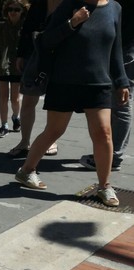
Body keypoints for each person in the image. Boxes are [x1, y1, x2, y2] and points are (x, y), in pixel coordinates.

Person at [15, 0, 130, 207]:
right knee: (54, 131)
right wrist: (72, 23)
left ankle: (105, 185)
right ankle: (26, 171)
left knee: (104, 132)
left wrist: (121, 81)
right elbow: (45, 41)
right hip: (64, 81)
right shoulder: (68, 5)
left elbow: (116, 48)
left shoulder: (114, 8)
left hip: (99, 83)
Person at [79, 0, 133, 171]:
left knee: (121, 100)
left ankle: (113, 156)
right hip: (121, 44)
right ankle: (109, 153)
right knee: (116, 100)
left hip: (123, 46)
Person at [8, 0, 62, 157]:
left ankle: (50, 140)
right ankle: (25, 142)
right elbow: (27, 29)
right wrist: (20, 54)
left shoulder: (70, 4)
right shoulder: (39, 5)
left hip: (59, 59)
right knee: (28, 101)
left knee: (54, 104)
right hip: (35, 57)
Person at [0, 0, 27, 138]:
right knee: (3, 98)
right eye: (10, 9)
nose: (13, 12)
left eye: (17, 10)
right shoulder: (1, 28)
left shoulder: (25, 28)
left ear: (22, 11)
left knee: (15, 98)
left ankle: (16, 117)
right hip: (3, 68)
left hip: (18, 68)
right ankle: (4, 125)